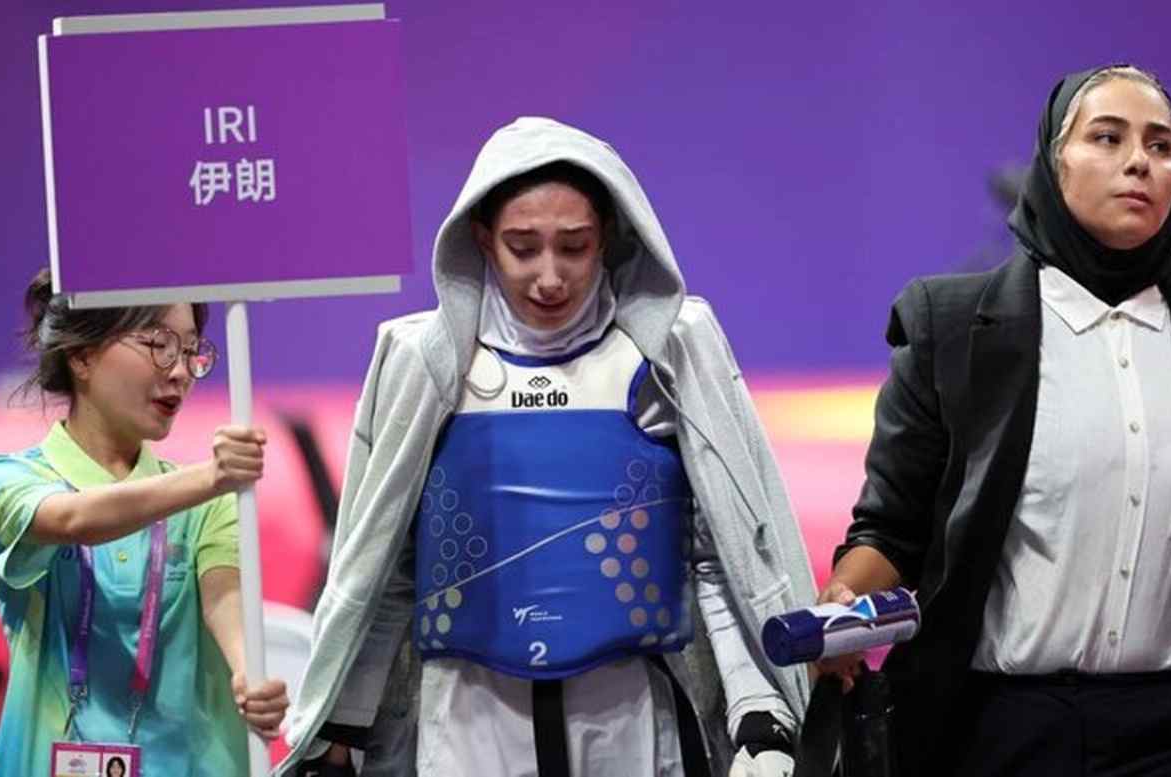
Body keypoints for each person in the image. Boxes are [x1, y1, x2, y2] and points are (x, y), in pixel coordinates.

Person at [278, 117, 816, 777]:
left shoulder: (670, 354)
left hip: (631, 717)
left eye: (574, 246)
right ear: (481, 238)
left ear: (609, 236)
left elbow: (722, 557)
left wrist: (761, 711)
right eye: (522, 247)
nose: (550, 276)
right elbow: (386, 570)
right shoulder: (424, 363)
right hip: (468, 722)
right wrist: (339, 732)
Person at [822, 65, 1171, 775]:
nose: (1140, 161)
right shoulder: (951, 325)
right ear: (1054, 161)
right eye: (1107, 137)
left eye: (1161, 145)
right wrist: (843, 602)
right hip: (1000, 729)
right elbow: (893, 530)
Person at [0, 270, 291, 776]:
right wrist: (213, 476)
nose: (180, 371)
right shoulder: (4, 482)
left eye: (190, 351)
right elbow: (72, 518)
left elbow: (226, 600)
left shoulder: (209, 501)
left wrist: (250, 673)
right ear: (82, 356)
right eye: (159, 345)